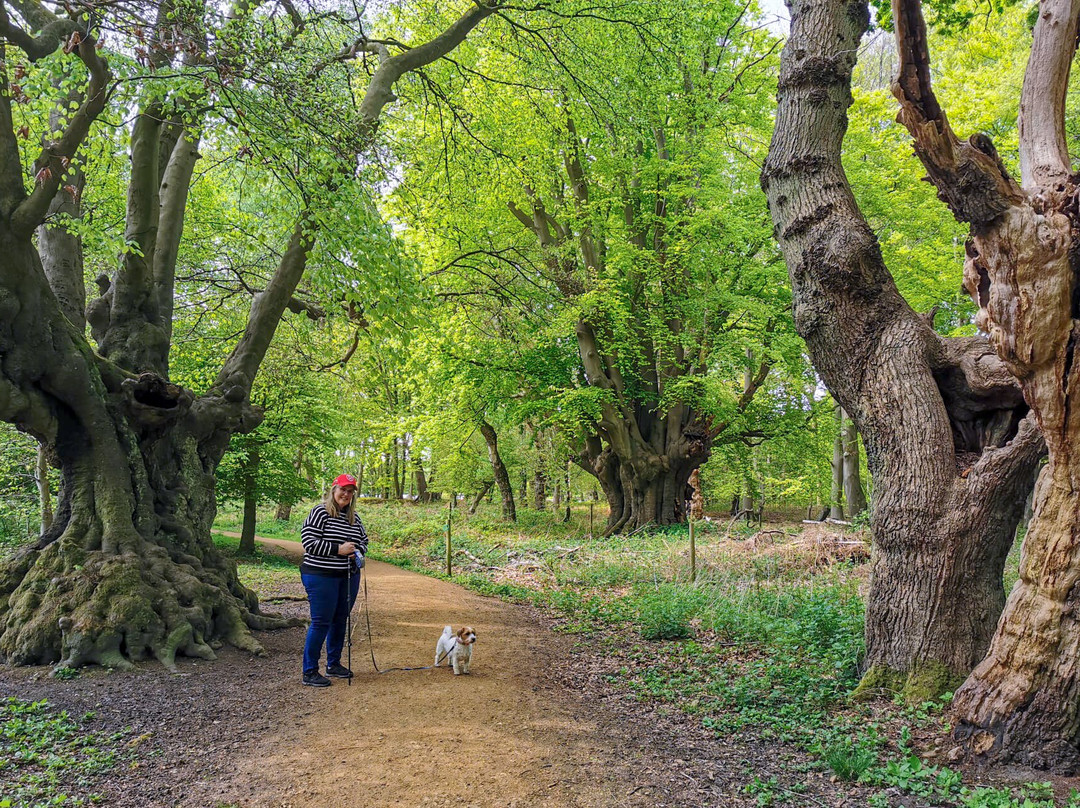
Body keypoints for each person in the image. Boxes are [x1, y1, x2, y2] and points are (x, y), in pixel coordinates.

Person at [299, 473, 368, 687]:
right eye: (343, 490)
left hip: (347, 576)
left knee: (340, 619)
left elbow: (364, 540)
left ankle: (334, 664)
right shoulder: (320, 512)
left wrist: (357, 552)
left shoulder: (354, 518)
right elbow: (308, 541)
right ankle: (309, 671)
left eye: (350, 491)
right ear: (334, 489)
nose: (346, 494)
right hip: (320, 576)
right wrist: (338, 549)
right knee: (321, 622)